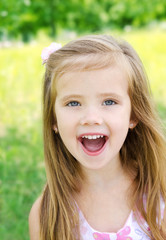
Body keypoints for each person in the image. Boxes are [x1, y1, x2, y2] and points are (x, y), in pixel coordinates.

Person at [29, 34, 166, 240]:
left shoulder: (160, 190)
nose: (91, 118)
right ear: (53, 119)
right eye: (73, 103)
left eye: (109, 102)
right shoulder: (47, 213)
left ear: (134, 114)